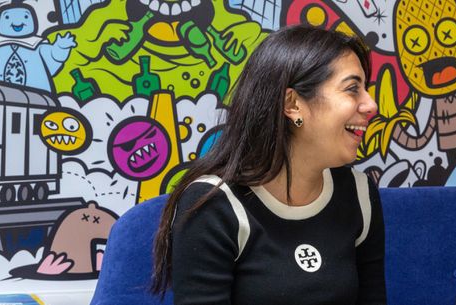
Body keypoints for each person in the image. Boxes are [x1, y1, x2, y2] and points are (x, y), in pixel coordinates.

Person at [149, 25, 385, 304]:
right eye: (352, 89)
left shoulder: (358, 192)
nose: (371, 105)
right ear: (293, 103)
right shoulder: (213, 206)